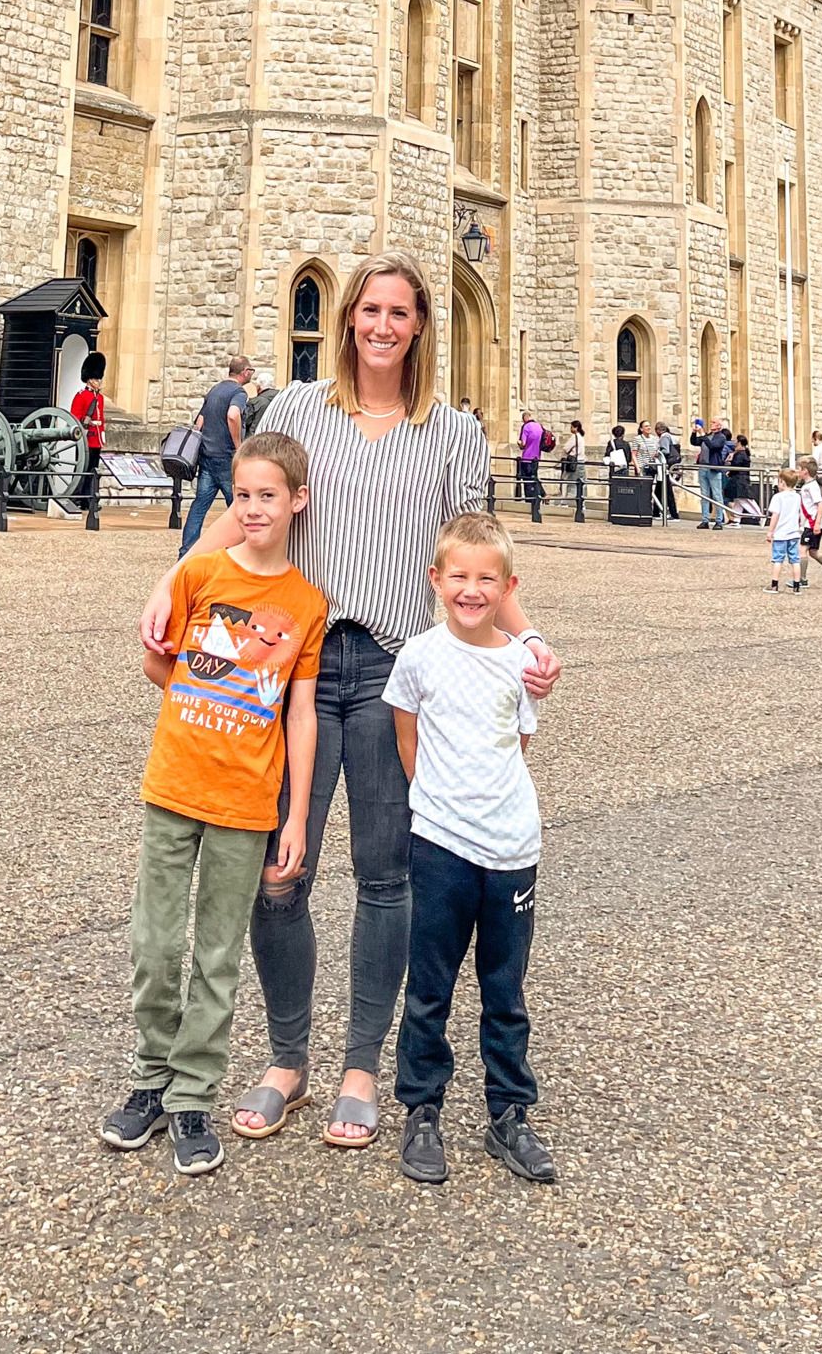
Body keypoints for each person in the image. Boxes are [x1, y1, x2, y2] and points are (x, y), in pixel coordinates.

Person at [138, 252, 558, 1156]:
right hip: (290, 665)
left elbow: (476, 550)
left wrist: (526, 639)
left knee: (385, 873)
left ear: (419, 328)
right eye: (369, 308)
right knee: (278, 869)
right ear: (347, 320)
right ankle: (288, 1056)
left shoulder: (449, 432)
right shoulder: (294, 410)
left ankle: (360, 1064)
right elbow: (240, 515)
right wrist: (173, 581)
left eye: (399, 311)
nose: (382, 324)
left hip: (396, 669)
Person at [101, 433, 325, 1174]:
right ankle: (149, 1076)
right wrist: (211, 687)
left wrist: (295, 815)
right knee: (155, 944)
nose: (254, 507)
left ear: (298, 501)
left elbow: (299, 712)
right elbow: (153, 661)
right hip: (175, 782)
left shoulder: (305, 603)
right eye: (244, 494)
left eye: (269, 494)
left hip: (247, 800)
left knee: (217, 955)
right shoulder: (198, 571)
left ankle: (192, 1094)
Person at [388, 513, 557, 1186]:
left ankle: (509, 1113)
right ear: (436, 580)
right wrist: (439, 803)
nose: (471, 588)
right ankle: (422, 1108)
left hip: (512, 844)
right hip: (440, 843)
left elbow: (518, 742)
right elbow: (409, 742)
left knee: (504, 986)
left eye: (487, 578)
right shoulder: (418, 656)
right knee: (429, 985)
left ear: (508, 585)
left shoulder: (520, 663)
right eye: (459, 575)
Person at [180, 354, 253, 555]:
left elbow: (200, 422)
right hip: (227, 458)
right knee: (238, 506)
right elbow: (233, 415)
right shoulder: (239, 392)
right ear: (245, 372)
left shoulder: (214, 390)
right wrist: (238, 446)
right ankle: (241, 551)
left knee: (199, 506)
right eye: (251, 371)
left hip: (207, 456)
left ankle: (186, 551)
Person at [70, 349, 110, 518]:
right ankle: (77, 496)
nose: (98, 381)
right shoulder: (81, 396)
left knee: (93, 469)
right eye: (96, 378)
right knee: (82, 467)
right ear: (89, 379)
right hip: (86, 438)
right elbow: (74, 416)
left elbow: (102, 418)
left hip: (96, 438)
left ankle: (89, 498)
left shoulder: (99, 398)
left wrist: (102, 434)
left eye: (99, 378)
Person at [766, 466, 805, 593]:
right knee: (795, 560)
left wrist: (770, 531)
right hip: (794, 533)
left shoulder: (778, 497)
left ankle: (774, 584)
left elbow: (775, 515)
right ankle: (797, 586)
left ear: (782, 482)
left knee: (778, 559)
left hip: (780, 533)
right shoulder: (797, 497)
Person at [699, 422, 730, 530]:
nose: (711, 424)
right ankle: (705, 520)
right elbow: (695, 442)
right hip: (703, 467)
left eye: (713, 422)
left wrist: (703, 435)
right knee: (704, 495)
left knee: (717, 495)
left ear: (719, 426)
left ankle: (719, 520)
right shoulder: (707, 436)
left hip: (713, 468)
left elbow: (713, 446)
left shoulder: (721, 437)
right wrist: (694, 433)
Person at [515, 411, 547, 508]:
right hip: (536, 457)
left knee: (528, 480)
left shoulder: (526, 427)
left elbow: (523, 444)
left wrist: (519, 443)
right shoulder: (539, 426)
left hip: (527, 457)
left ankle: (530, 501)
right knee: (534, 477)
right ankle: (540, 495)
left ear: (524, 418)